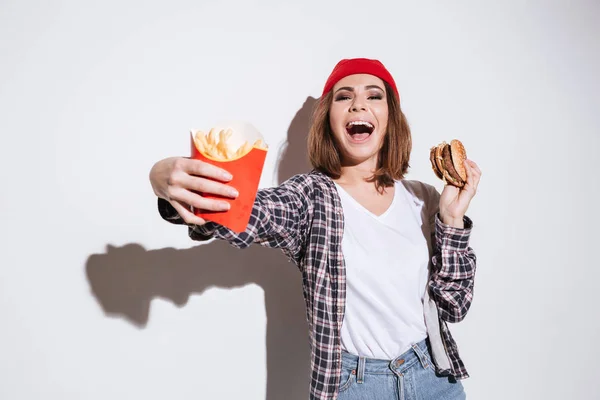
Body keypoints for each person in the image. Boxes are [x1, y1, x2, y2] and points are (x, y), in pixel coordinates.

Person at [149, 58, 481, 400]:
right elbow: (243, 212)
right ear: (329, 119)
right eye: (344, 96)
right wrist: (165, 182)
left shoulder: (423, 198)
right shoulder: (310, 198)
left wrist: (452, 219)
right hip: (357, 386)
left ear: (390, 118)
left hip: (433, 378)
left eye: (374, 95)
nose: (358, 104)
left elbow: (454, 306)